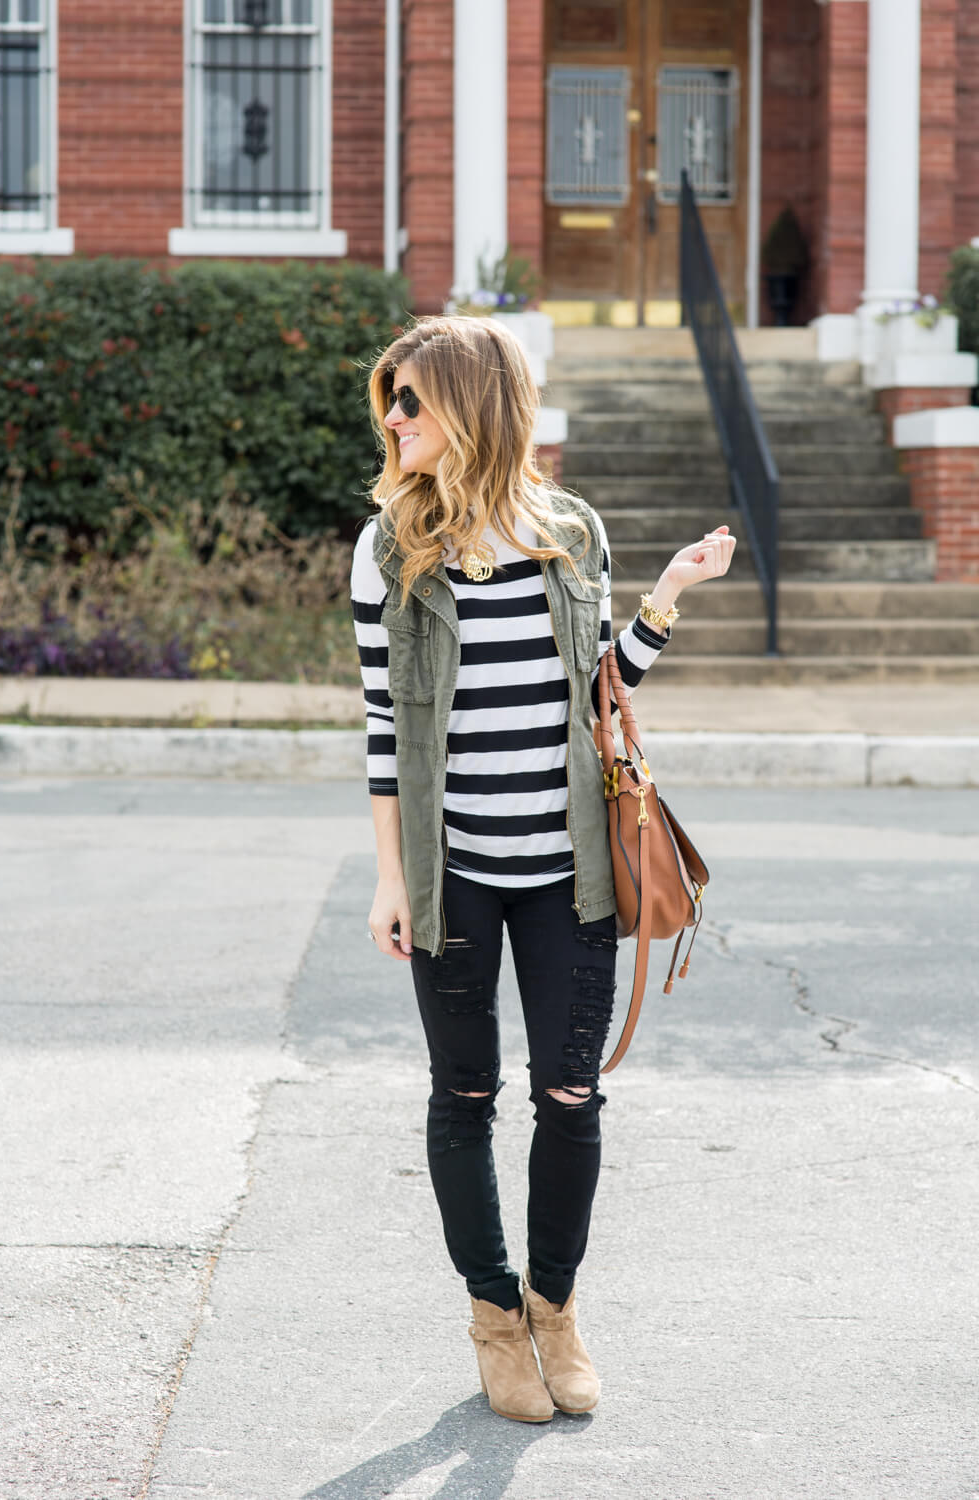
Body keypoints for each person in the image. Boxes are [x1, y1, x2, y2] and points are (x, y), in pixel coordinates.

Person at [351, 315, 735, 1424]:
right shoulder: (386, 549)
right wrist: (390, 880)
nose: (394, 417)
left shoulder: (568, 529)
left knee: (571, 1096)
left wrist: (666, 595)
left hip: (570, 874)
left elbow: (599, 685)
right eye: (391, 397)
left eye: (414, 399)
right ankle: (492, 1320)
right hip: (454, 869)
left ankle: (554, 1307)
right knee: (463, 1096)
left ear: (477, 406)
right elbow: (384, 726)